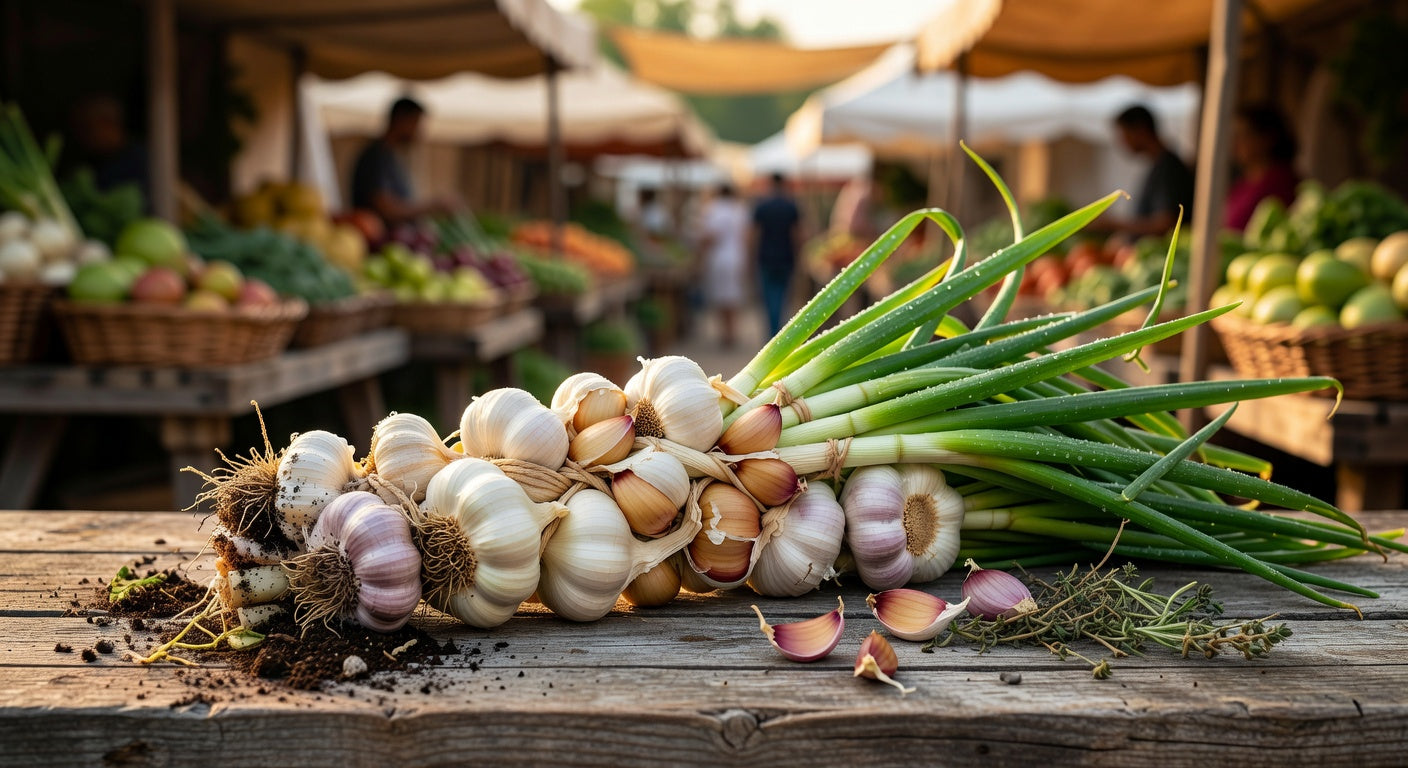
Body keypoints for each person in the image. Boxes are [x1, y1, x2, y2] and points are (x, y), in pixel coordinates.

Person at [351, 97, 454, 225]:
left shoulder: (390, 156)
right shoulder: (376, 157)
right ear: (401, 119)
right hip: (380, 239)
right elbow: (386, 209)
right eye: (417, 124)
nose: (420, 132)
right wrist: (431, 207)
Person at [1099, 104, 1195, 236]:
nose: (1122, 142)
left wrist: (1114, 225)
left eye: (1124, 134)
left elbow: (1165, 224)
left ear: (1140, 130)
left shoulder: (1169, 169)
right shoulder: (1158, 166)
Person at [1225, 104, 1299, 231]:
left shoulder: (1281, 182)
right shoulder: (1244, 182)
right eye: (1234, 135)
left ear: (1267, 138)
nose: (1235, 142)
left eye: (1244, 135)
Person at [67, 93, 150, 205]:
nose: (80, 137)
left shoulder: (142, 161)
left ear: (106, 124)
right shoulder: (92, 164)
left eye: (86, 128)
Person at [697, 184, 750, 347]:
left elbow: (711, 236)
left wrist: (700, 253)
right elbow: (745, 236)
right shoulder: (740, 210)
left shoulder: (714, 209)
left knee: (721, 297)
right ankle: (732, 332)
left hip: (719, 258)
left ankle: (725, 334)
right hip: (737, 257)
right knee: (733, 296)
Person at [752, 172, 801, 337]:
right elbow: (797, 235)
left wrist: (750, 257)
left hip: (766, 258)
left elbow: (754, 235)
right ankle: (778, 332)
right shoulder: (791, 206)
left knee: (768, 298)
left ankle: (772, 332)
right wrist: (798, 256)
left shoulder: (762, 206)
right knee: (782, 297)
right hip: (786, 257)